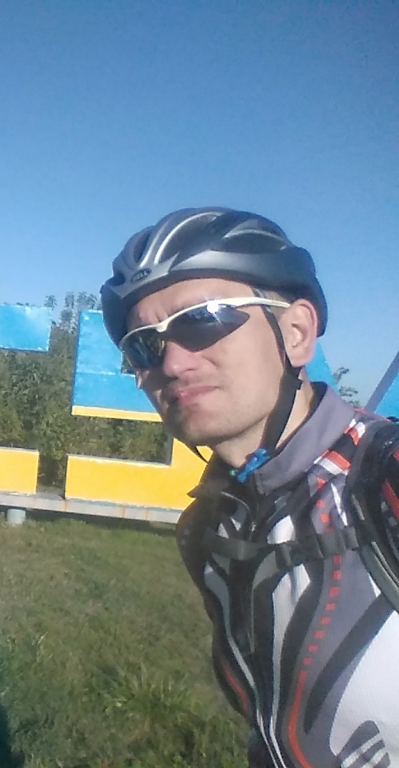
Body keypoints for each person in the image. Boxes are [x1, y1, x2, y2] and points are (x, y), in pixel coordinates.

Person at [101, 207, 399, 767]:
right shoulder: (208, 527)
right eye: (143, 345)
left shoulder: (384, 477)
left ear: (296, 332)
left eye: (202, 319)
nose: (172, 361)